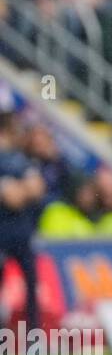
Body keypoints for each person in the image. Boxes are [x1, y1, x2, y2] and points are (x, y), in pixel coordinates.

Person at [0, 113, 43, 329]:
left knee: (32, 286)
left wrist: (18, 189)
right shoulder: (17, 162)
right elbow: (13, 198)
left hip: (22, 234)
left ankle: (34, 340)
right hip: (4, 233)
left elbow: (37, 189)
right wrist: (22, 188)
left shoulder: (21, 159)